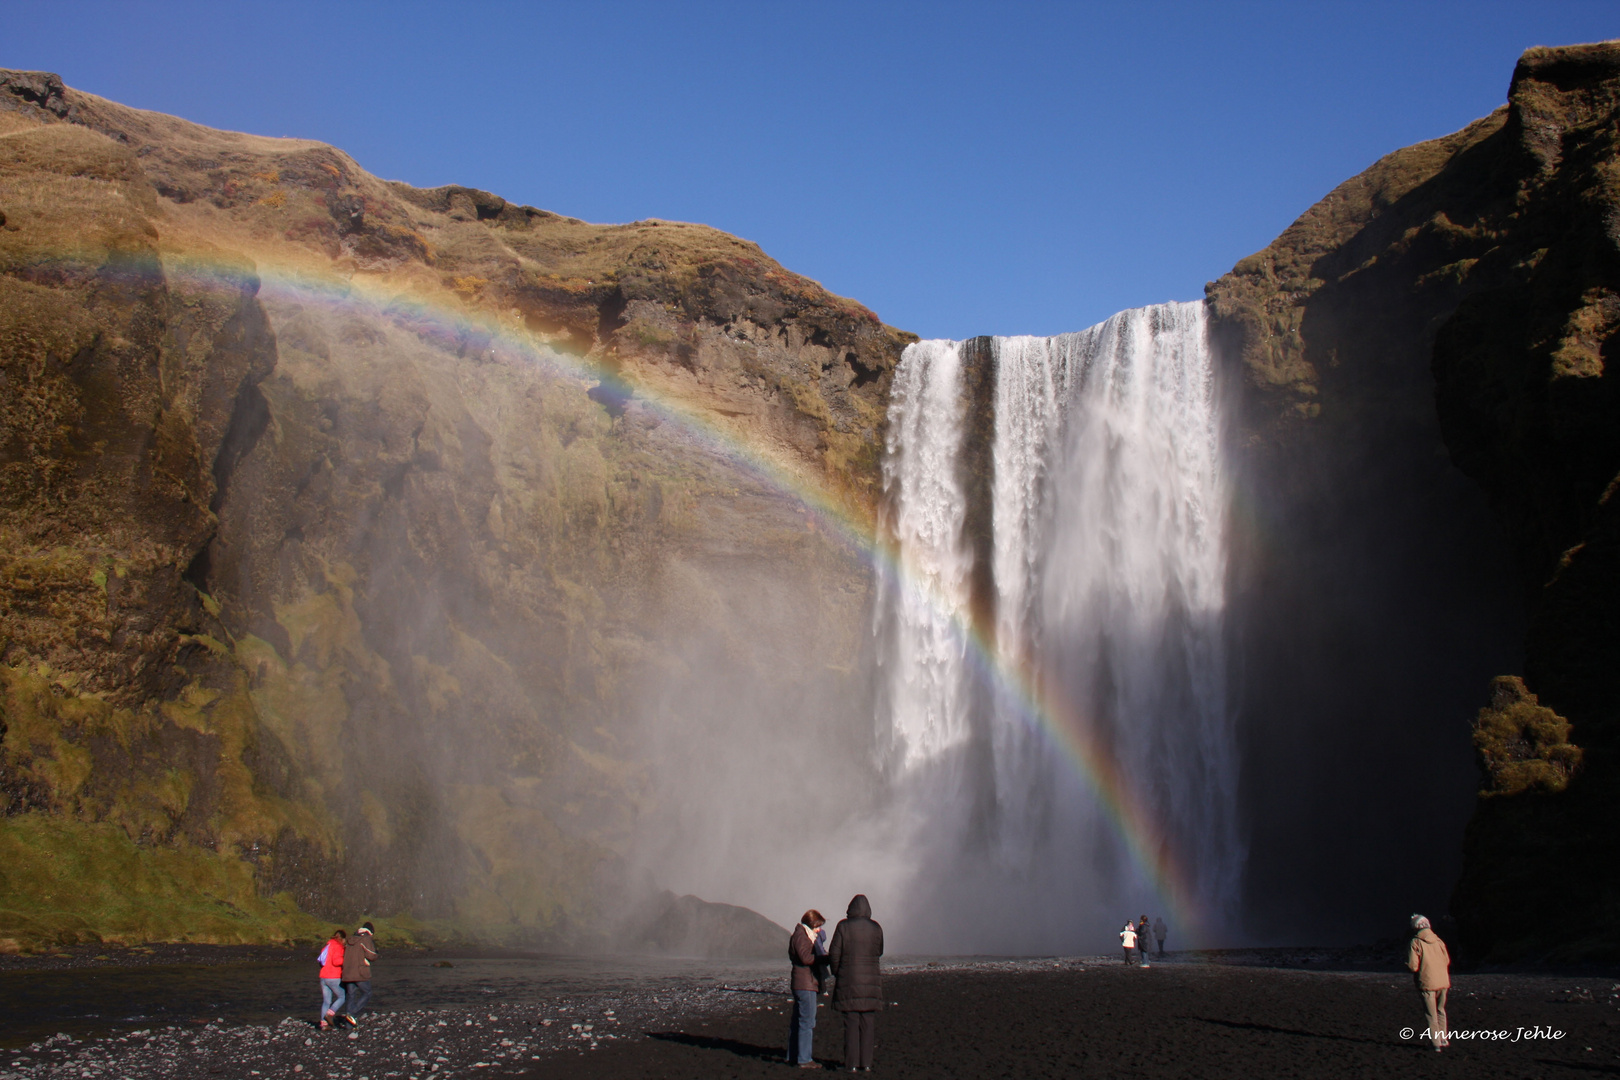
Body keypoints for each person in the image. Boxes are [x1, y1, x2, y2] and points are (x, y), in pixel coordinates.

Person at [828, 894, 883, 1072]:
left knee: (851, 1023)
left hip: (849, 980)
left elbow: (834, 954)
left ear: (850, 909)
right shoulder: (876, 928)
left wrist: (838, 972)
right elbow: (879, 951)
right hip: (871, 981)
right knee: (868, 1024)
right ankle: (866, 1063)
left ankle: (851, 1064)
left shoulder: (843, 927)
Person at [1407, 915, 1451, 1052]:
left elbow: (1413, 966)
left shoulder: (1415, 942)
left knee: (1431, 1015)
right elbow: (1447, 960)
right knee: (1441, 1011)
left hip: (1427, 982)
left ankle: (1436, 1044)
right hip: (1443, 981)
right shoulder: (1438, 941)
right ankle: (1443, 1039)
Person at [786, 910, 825, 1067]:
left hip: (801, 983)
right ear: (811, 924)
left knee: (798, 1021)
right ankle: (804, 1059)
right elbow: (806, 957)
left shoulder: (800, 935)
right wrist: (823, 958)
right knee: (807, 1021)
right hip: (805, 984)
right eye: (818, 926)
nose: (819, 930)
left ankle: (793, 1056)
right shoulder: (802, 936)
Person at [340, 921, 378, 1026]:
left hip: (347, 972)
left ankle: (349, 1025)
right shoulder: (365, 939)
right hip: (360, 973)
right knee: (367, 993)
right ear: (370, 932)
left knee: (351, 995)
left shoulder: (351, 938)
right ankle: (352, 1013)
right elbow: (372, 955)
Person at [317, 928, 347, 1029]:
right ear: (342, 939)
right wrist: (346, 960)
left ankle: (324, 1024)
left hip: (323, 976)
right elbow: (336, 961)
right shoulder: (338, 947)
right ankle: (330, 1014)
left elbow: (321, 960)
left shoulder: (327, 946)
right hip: (333, 976)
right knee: (342, 997)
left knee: (326, 1001)